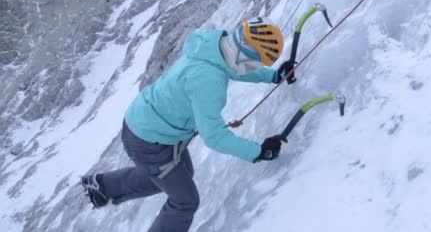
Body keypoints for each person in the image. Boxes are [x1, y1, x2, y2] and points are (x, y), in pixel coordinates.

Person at [80, 17, 296, 232]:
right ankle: (105, 187)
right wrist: (259, 152)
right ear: (244, 56)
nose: (253, 68)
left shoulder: (213, 49)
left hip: (149, 126)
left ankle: (103, 187)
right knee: (185, 200)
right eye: (256, 63)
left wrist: (274, 76)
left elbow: (234, 68)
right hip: (150, 141)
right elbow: (214, 137)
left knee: (179, 174)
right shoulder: (208, 80)